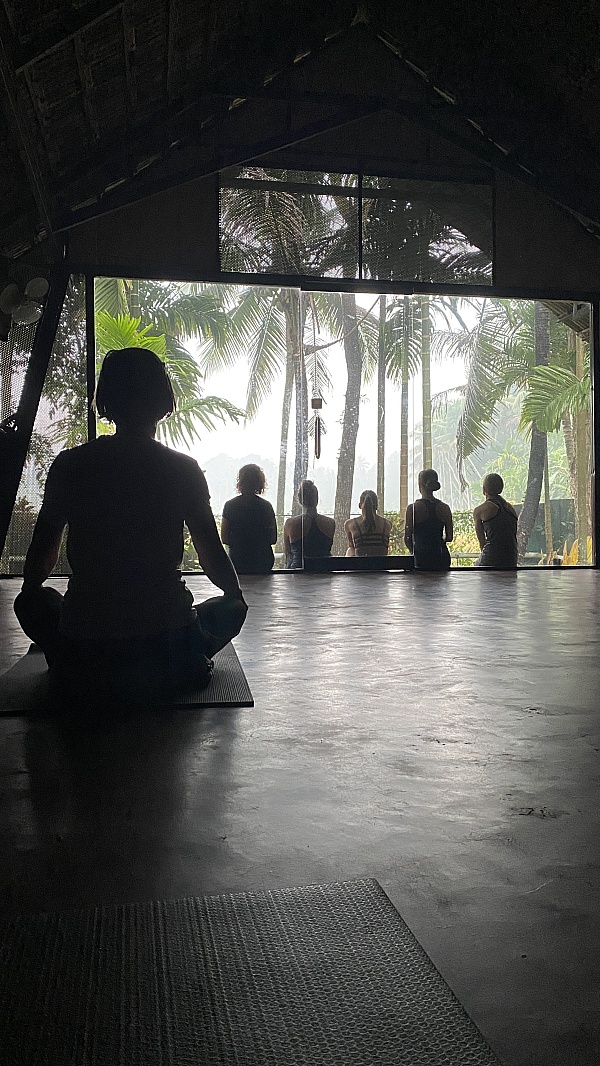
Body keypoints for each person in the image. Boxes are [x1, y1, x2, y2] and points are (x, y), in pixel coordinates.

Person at [13, 347, 247, 702]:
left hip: (87, 641)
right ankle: (182, 662)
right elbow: (211, 554)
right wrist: (235, 597)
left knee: (30, 603)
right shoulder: (183, 469)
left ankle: (75, 665)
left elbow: (41, 560)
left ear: (106, 401)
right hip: (167, 639)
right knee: (231, 609)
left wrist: (35, 593)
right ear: (163, 401)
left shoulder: (70, 465)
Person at [221, 464, 277, 574]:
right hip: (262, 560)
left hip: (238, 559)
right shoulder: (266, 506)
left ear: (240, 481)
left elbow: (224, 538)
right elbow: (273, 539)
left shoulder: (230, 506)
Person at [405, 469, 453, 570]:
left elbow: (408, 537)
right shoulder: (445, 508)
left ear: (420, 484)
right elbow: (449, 537)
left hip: (421, 558)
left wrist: (413, 551)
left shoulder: (413, 508)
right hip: (440, 557)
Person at [283, 480, 335, 569]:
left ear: (300, 499)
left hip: (298, 571)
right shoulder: (330, 523)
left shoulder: (290, 524)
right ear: (317, 499)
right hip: (324, 570)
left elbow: (288, 554)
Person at [473, 472, 518, 568]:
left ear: (484, 489)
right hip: (511, 557)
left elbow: (482, 543)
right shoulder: (510, 509)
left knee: (474, 567)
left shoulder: (480, 510)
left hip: (492, 556)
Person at [345, 490, 391, 557]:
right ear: (377, 506)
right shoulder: (387, 524)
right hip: (382, 563)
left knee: (350, 550)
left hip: (360, 563)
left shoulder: (350, 524)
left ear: (359, 505)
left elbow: (352, 546)